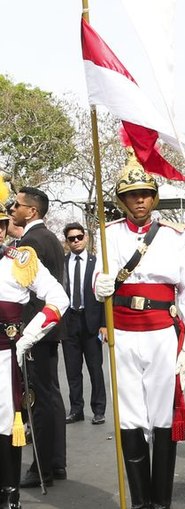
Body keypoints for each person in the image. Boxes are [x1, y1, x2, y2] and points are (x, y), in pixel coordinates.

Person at [92, 147, 185, 509]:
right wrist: (99, 285)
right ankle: (140, 502)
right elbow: (100, 278)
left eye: (144, 193)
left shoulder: (174, 236)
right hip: (123, 333)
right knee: (129, 417)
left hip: (160, 332)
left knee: (160, 416)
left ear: (154, 197)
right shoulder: (107, 234)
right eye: (131, 195)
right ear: (122, 200)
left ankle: (161, 502)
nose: (138, 200)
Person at [10, 187, 68, 488]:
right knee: (50, 396)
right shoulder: (49, 238)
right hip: (48, 329)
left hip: (35, 330)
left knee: (38, 399)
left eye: (16, 205)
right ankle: (55, 462)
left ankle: (42, 467)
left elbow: (31, 293)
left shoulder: (32, 242)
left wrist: (24, 332)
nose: (12, 208)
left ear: (31, 211)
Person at [61, 223, 106, 425]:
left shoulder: (97, 263)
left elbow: (105, 295)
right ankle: (76, 409)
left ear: (85, 237)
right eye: (72, 238)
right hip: (70, 321)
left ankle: (98, 410)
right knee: (72, 370)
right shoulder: (62, 264)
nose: (76, 241)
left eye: (79, 237)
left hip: (92, 322)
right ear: (67, 242)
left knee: (95, 369)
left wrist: (104, 324)